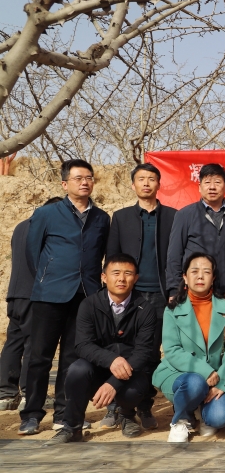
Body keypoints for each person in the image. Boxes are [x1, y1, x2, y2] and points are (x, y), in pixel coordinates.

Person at [18, 160, 111, 436]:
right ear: (64, 184)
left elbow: (101, 254)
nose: (85, 182)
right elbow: (33, 253)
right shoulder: (46, 214)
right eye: (78, 178)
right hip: (50, 294)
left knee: (73, 357)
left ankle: (64, 414)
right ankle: (31, 414)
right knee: (40, 356)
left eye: (89, 177)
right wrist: (48, 278)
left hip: (85, 295)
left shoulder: (101, 218)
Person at [43, 254, 157, 445]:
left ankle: (126, 415)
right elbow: (82, 344)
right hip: (96, 370)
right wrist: (112, 360)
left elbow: (143, 352)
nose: (121, 279)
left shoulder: (145, 309)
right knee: (77, 370)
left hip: (130, 372)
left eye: (128, 273)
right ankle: (72, 427)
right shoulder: (89, 305)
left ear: (136, 278)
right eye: (116, 273)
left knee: (133, 391)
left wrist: (113, 383)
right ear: (104, 277)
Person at [104, 162, 177, 429]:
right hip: (127, 294)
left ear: (159, 184)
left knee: (151, 353)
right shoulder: (121, 217)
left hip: (160, 295)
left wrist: (174, 290)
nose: (146, 183)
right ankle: (115, 406)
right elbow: (112, 257)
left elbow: (178, 255)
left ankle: (145, 405)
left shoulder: (173, 216)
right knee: (120, 348)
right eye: (141, 179)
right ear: (133, 184)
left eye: (151, 179)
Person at [152, 252, 225, 443]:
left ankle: (202, 411)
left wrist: (223, 380)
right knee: (195, 383)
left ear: (213, 278)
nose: (200, 276)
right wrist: (205, 371)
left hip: (217, 376)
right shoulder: (173, 309)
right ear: (185, 277)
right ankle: (181, 419)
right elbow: (172, 350)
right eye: (194, 271)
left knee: (220, 418)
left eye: (206, 272)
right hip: (180, 374)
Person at [0, 197, 61, 412]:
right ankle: (30, 394)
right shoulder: (48, 228)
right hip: (34, 295)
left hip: (15, 295)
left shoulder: (20, 226)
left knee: (14, 342)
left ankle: (6, 394)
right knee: (34, 344)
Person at [165, 163, 225, 300]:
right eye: (207, 182)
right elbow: (174, 255)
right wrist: (174, 290)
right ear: (199, 187)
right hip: (194, 288)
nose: (212, 187)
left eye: (217, 182)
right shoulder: (185, 214)